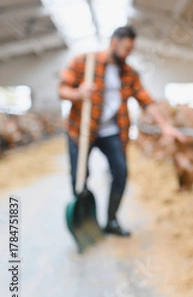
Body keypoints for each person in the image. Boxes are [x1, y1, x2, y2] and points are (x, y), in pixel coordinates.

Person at [58, 25, 185, 236]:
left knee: (121, 172)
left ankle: (111, 220)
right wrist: (78, 92)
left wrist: (164, 126)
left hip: (112, 132)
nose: (128, 54)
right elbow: (62, 90)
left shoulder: (128, 72)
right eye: (126, 49)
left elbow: (146, 100)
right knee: (79, 177)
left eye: (131, 50)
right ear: (114, 43)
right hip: (81, 130)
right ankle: (85, 219)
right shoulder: (84, 62)